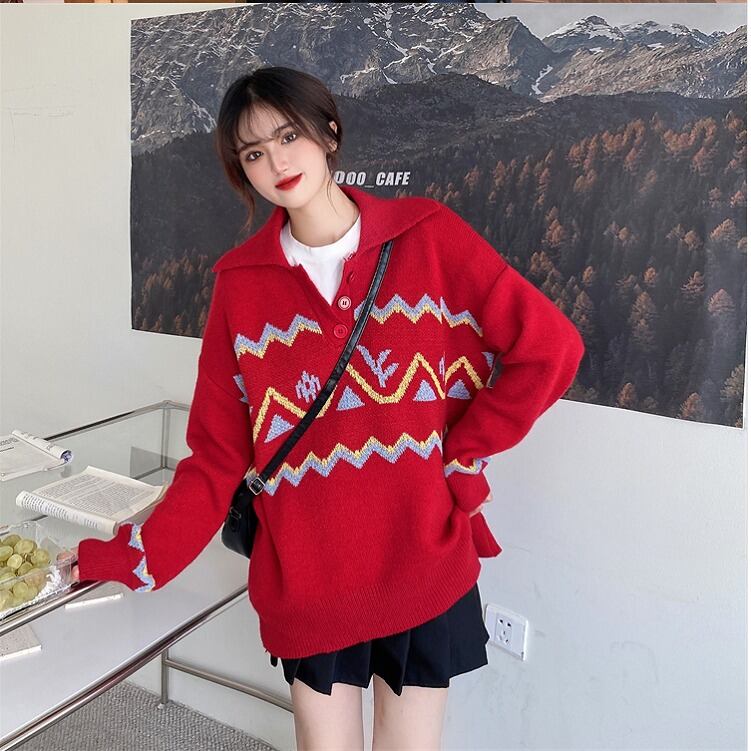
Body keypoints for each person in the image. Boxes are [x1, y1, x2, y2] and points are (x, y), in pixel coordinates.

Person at [71, 66, 585, 750]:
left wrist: (463, 452)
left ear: (329, 133)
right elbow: (215, 458)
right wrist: (128, 557)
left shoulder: (426, 237)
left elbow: (549, 348)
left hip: (422, 557)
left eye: (289, 136)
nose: (277, 162)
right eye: (253, 152)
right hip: (309, 574)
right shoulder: (240, 285)